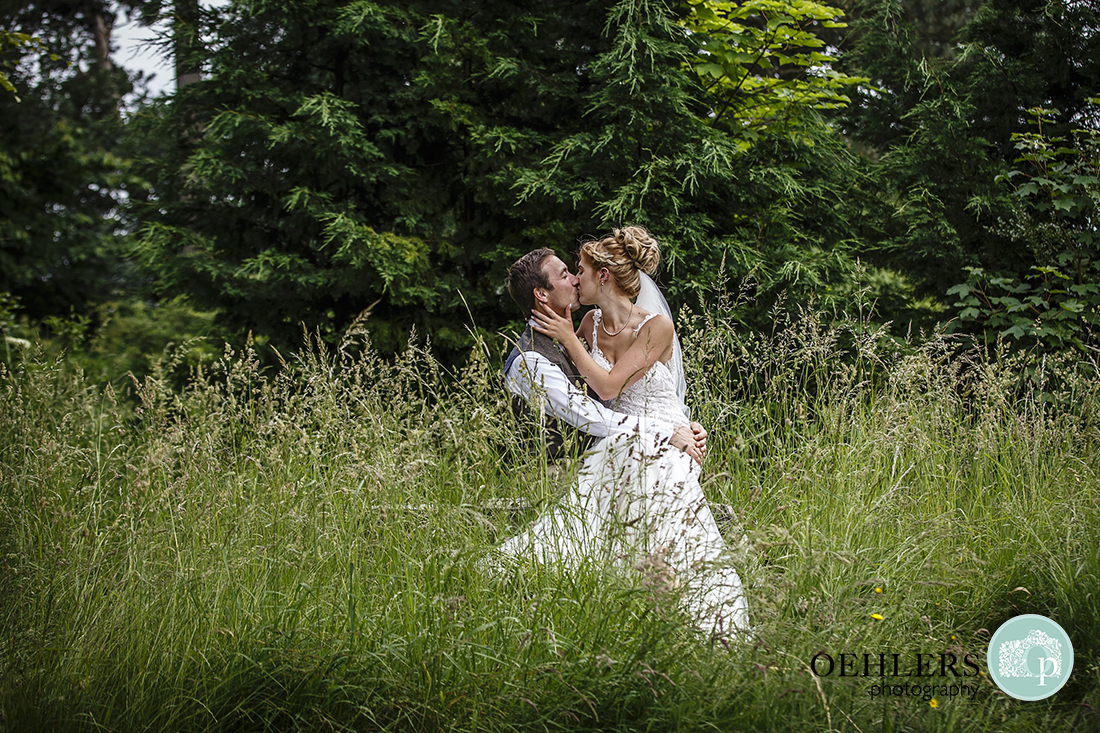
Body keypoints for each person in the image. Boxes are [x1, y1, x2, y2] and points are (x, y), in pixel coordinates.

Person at [496, 233, 749, 638]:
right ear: (543, 295)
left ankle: (684, 608)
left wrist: (681, 428)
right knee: (636, 476)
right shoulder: (580, 328)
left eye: (577, 270)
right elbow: (597, 404)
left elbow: (622, 390)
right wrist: (668, 433)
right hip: (627, 437)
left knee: (658, 480)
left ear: (605, 276)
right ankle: (646, 604)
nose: (576, 279)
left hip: (650, 436)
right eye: (568, 273)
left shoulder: (653, 326)